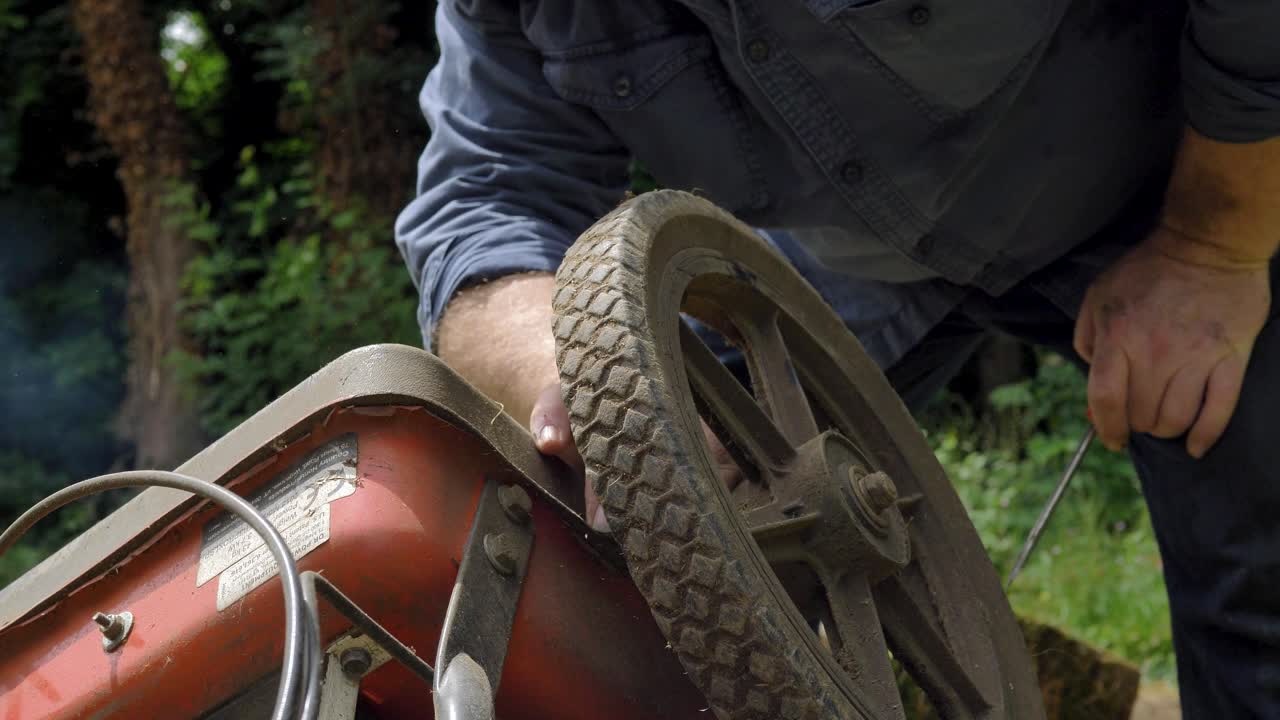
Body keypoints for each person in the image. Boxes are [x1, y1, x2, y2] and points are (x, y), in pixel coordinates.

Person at [395, 1, 1280, 714]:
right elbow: (482, 203)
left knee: (1257, 577)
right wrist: (590, 390)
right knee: (617, 524)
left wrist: (1216, 249)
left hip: (1187, 178)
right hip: (857, 259)